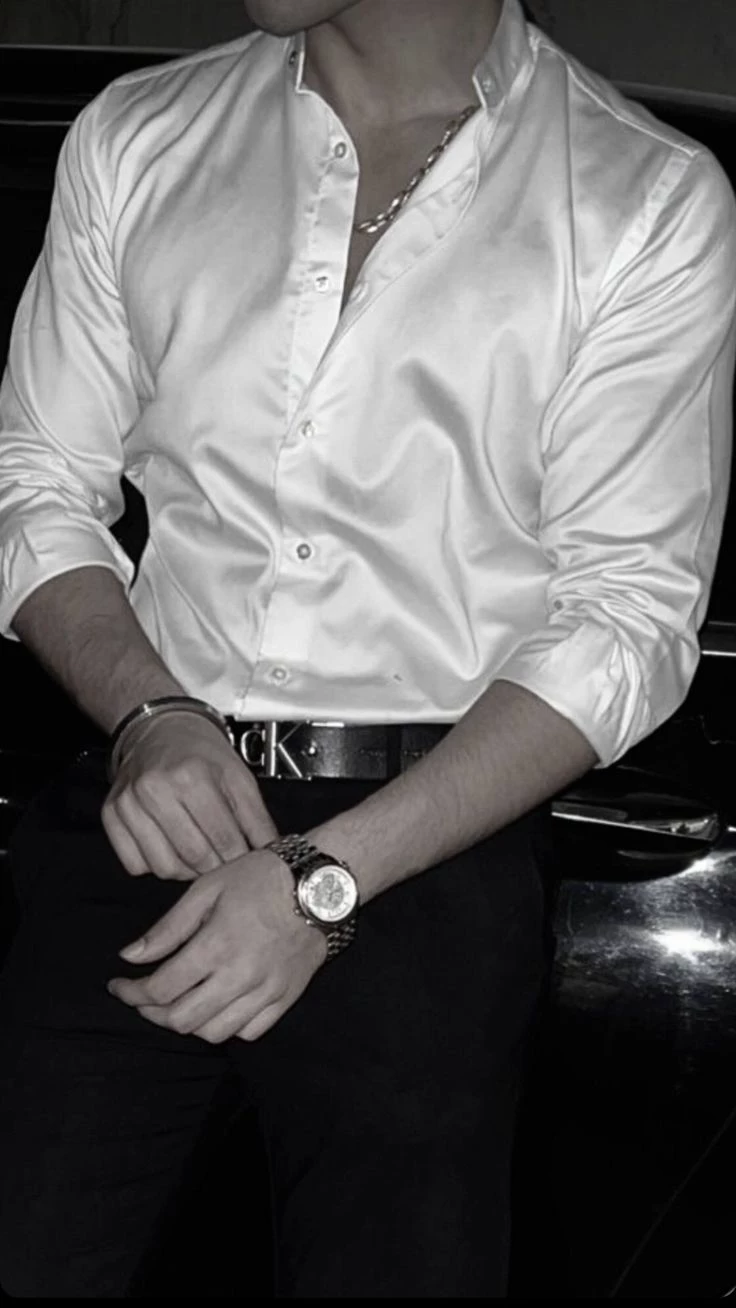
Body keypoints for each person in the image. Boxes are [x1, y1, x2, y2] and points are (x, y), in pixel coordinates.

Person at [0, 0, 734, 1297]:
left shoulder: (640, 194)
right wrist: (150, 719)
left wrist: (324, 883)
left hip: (423, 867)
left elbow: (627, 614)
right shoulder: (138, 138)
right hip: (138, 822)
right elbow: (34, 486)